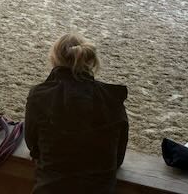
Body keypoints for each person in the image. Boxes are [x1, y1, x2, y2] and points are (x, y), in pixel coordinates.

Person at [25, 34, 129, 194]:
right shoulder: (112, 98)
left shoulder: (39, 96)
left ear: (54, 59)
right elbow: (118, 158)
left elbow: (34, 148)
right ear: (89, 60)